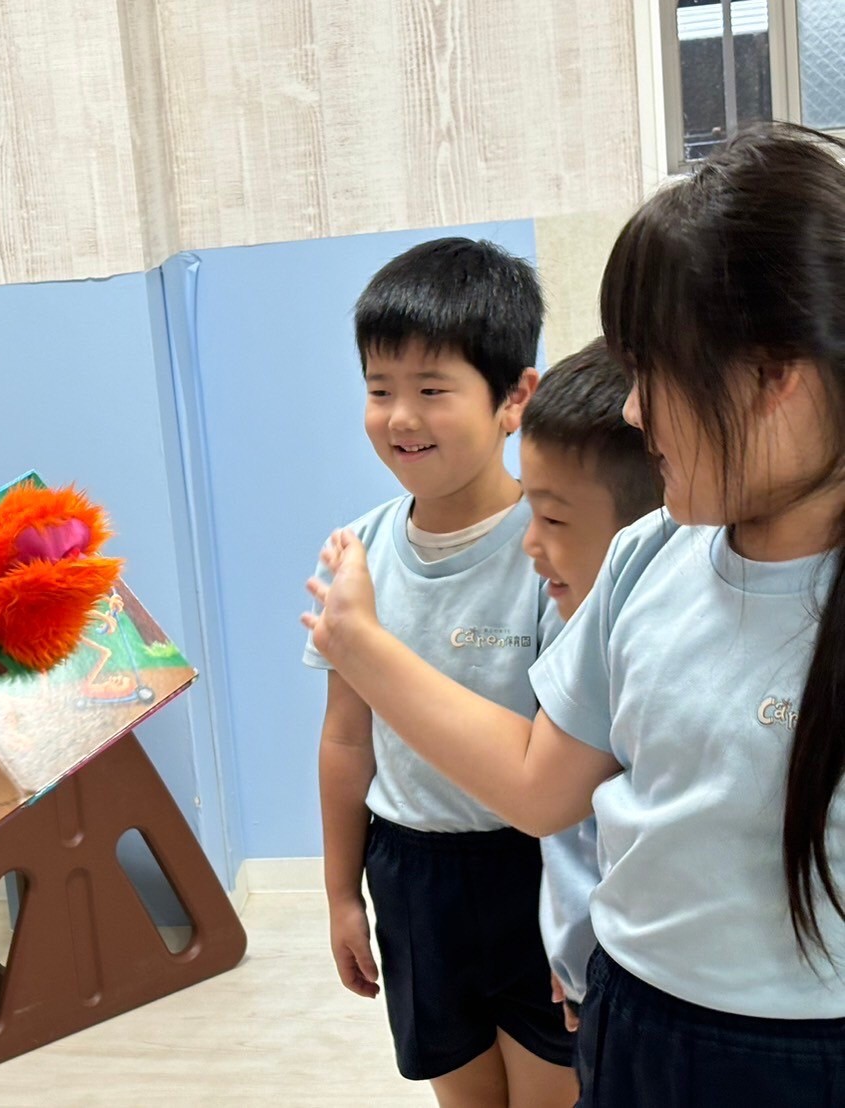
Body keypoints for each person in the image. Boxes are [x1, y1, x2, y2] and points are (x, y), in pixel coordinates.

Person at [305, 124, 845, 1105]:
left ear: (775, 380)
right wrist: (356, 644)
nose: (633, 413)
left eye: (655, 373)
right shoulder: (647, 557)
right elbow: (538, 786)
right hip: (630, 1016)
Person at [305, 238, 575, 1107]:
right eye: (378, 389)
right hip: (411, 871)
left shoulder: (551, 548)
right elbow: (346, 740)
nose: (399, 417)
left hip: (532, 865)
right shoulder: (359, 550)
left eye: (431, 390)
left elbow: (573, 755)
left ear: (514, 398)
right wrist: (342, 896)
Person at [516, 337, 662, 1034]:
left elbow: (543, 798)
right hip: (588, 977)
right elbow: (575, 844)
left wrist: (362, 645)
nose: (529, 543)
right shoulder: (567, 619)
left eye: (553, 518)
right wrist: (568, 948)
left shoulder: (646, 648)